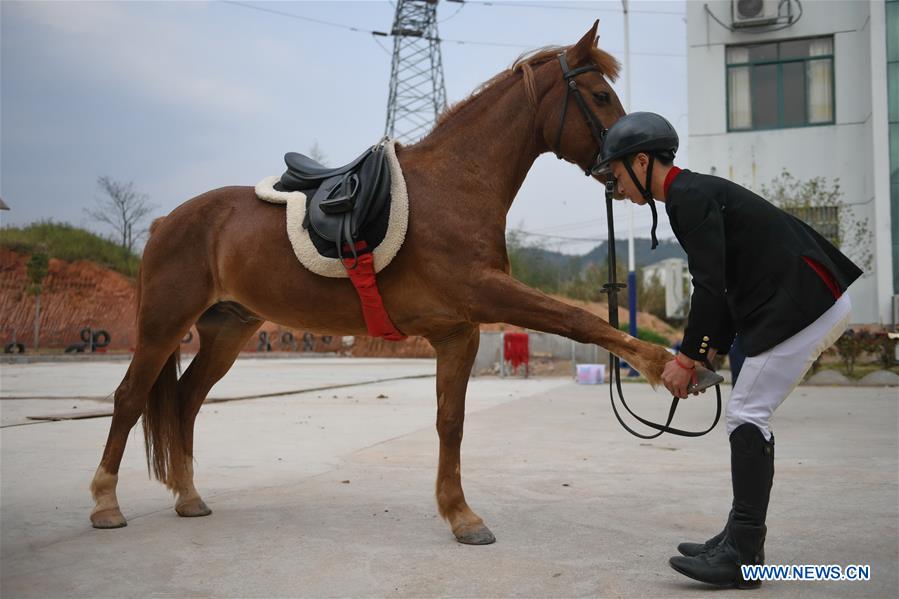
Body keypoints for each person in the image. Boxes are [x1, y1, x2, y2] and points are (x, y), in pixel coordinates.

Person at [593, 112, 863, 588]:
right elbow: (725, 279)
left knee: (747, 414)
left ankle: (742, 554)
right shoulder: (690, 194)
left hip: (804, 305)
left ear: (640, 161)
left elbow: (710, 287)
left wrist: (685, 359)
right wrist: (709, 352)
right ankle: (738, 540)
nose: (615, 186)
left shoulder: (688, 198)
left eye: (615, 174)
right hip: (800, 301)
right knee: (747, 411)